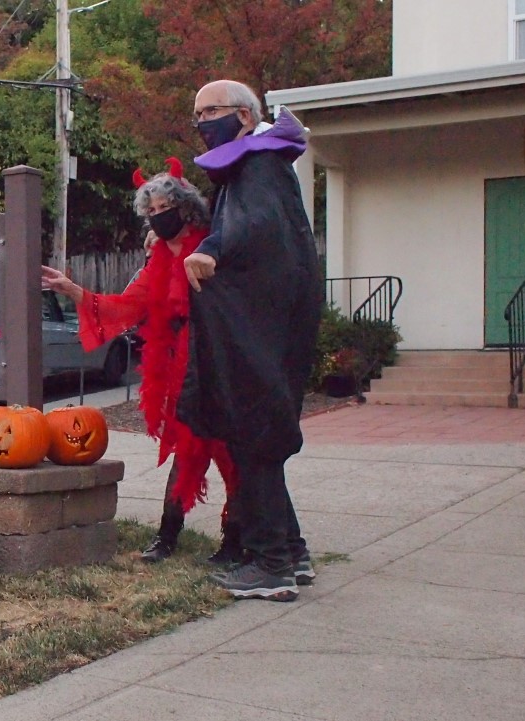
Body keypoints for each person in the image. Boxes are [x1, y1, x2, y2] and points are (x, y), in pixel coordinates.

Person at [41, 159, 242, 565]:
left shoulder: (209, 245)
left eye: (163, 208)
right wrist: (72, 290)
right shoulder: (157, 262)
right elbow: (126, 306)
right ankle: (168, 534)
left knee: (229, 451)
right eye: (150, 212)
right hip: (177, 367)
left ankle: (236, 537)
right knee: (185, 444)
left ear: (185, 208)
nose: (156, 217)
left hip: (216, 361)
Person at [178, 80, 323, 602]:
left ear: (243, 117)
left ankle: (271, 566)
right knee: (260, 438)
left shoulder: (258, 166)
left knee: (256, 437)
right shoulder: (259, 164)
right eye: (196, 113)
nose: (201, 122)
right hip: (274, 322)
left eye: (210, 111)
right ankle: (293, 551)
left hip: (263, 328)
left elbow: (256, 225)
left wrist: (213, 249)